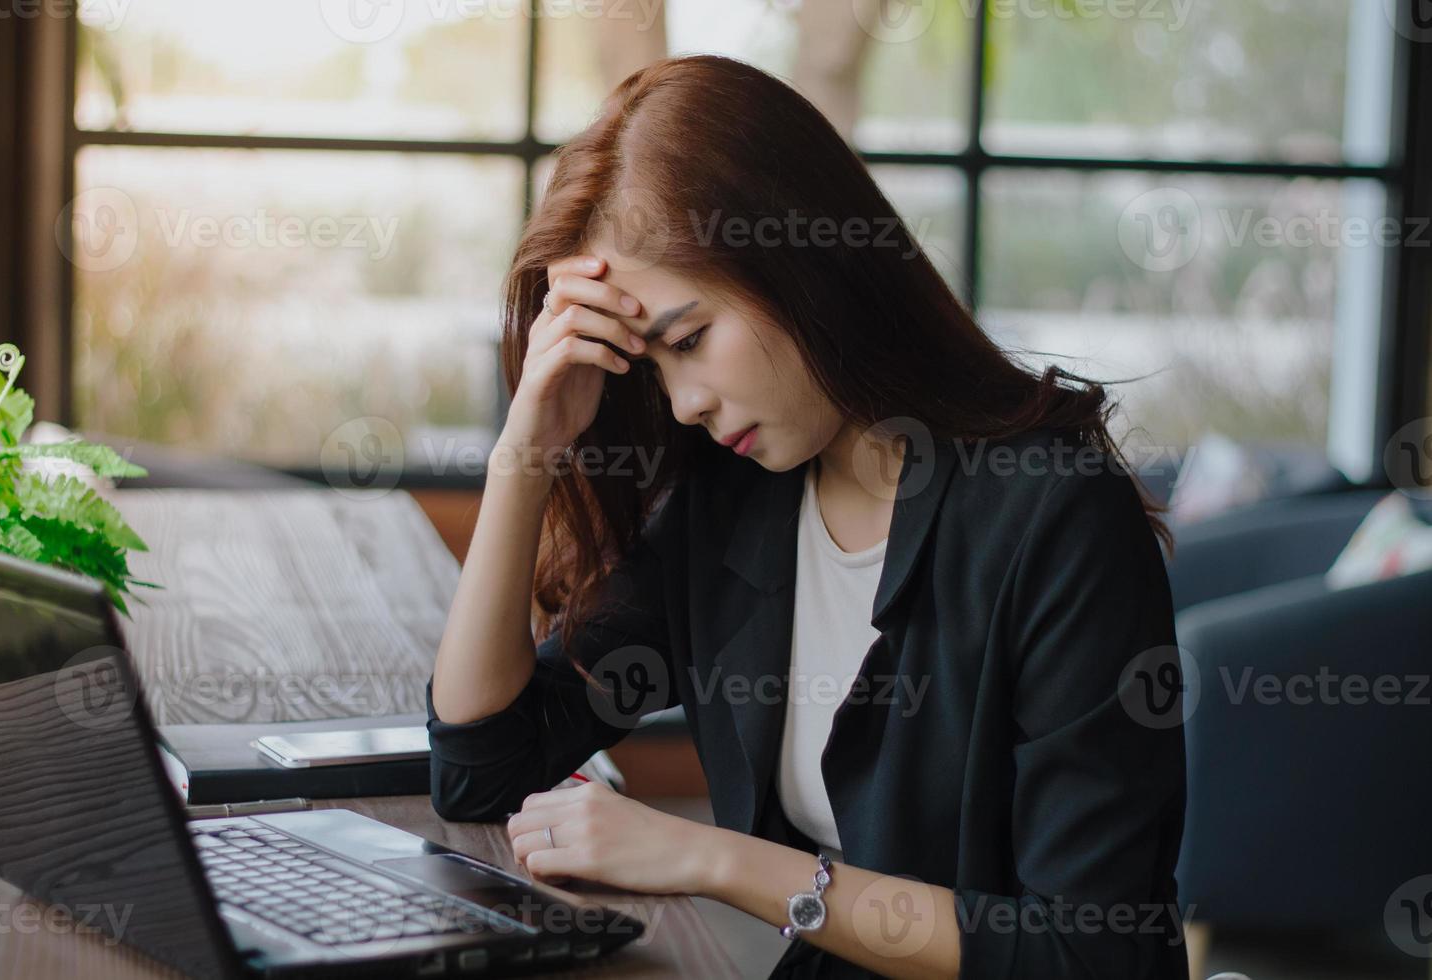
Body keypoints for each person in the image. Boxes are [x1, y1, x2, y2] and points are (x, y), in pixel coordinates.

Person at [426, 54, 1188, 980]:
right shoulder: (741, 495)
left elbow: (1091, 955)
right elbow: (484, 769)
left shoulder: (1056, 517)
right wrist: (527, 448)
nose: (683, 404)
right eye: (653, 368)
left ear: (800, 261)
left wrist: (711, 857)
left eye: (691, 340)